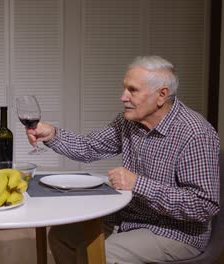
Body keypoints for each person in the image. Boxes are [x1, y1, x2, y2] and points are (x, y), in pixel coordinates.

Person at [26, 56, 220, 263]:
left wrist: (138, 184)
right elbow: (89, 147)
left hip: (175, 231)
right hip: (128, 217)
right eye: (125, 88)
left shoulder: (195, 133)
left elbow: (203, 205)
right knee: (61, 236)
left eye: (133, 90)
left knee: (100, 255)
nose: (123, 97)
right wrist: (52, 134)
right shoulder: (128, 122)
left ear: (162, 95)